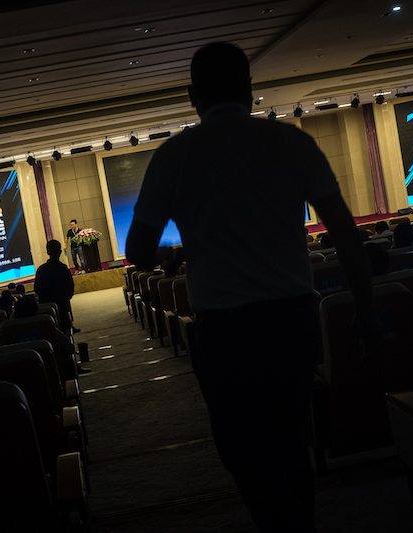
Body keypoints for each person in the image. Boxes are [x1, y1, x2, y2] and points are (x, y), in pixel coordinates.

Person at [125, 42, 374, 533]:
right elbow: (346, 235)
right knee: (290, 438)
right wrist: (365, 310)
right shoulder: (291, 143)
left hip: (225, 331)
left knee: (242, 448)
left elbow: (138, 251)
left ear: (192, 96)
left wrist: (179, 253)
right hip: (292, 320)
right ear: (250, 88)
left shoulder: (174, 157)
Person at [34, 240, 78, 333]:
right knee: (66, 330)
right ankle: (69, 327)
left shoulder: (41, 270)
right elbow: (70, 286)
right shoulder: (63, 268)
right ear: (60, 252)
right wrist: (66, 297)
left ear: (47, 252)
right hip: (63, 304)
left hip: (46, 305)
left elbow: (37, 288)